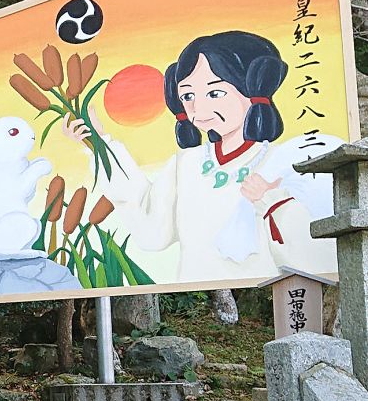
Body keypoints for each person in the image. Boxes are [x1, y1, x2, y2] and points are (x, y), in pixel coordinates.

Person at [63, 31, 340, 283]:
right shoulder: (186, 163)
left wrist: (272, 202)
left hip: (264, 299)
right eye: (188, 95)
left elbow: (316, 252)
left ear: (253, 88)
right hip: (194, 287)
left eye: (215, 92)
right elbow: (153, 230)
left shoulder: (283, 161)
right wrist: (100, 144)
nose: (198, 107)